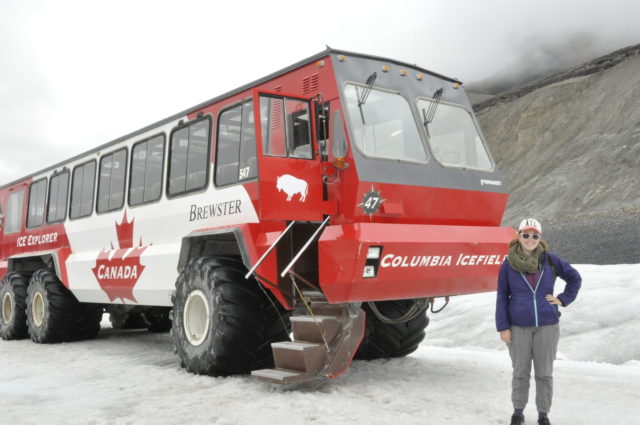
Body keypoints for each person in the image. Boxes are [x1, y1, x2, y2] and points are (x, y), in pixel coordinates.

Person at [496, 218, 581, 425]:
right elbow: (502, 296)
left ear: (540, 238)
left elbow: (574, 278)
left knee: (544, 374)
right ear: (519, 236)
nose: (530, 239)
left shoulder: (549, 260)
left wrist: (562, 299)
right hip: (518, 327)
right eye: (526, 234)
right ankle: (518, 412)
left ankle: (543, 415)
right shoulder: (508, 264)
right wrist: (503, 327)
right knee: (520, 372)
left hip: (547, 326)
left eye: (535, 235)